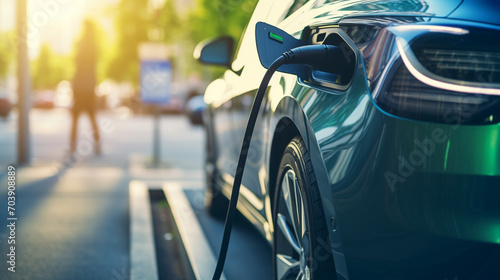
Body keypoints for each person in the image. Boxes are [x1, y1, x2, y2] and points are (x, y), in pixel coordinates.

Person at [70, 20, 100, 155]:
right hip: (88, 87)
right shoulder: (93, 45)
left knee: (75, 119)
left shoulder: (80, 44)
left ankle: (72, 148)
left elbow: (76, 64)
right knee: (92, 118)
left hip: (80, 87)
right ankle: (97, 145)